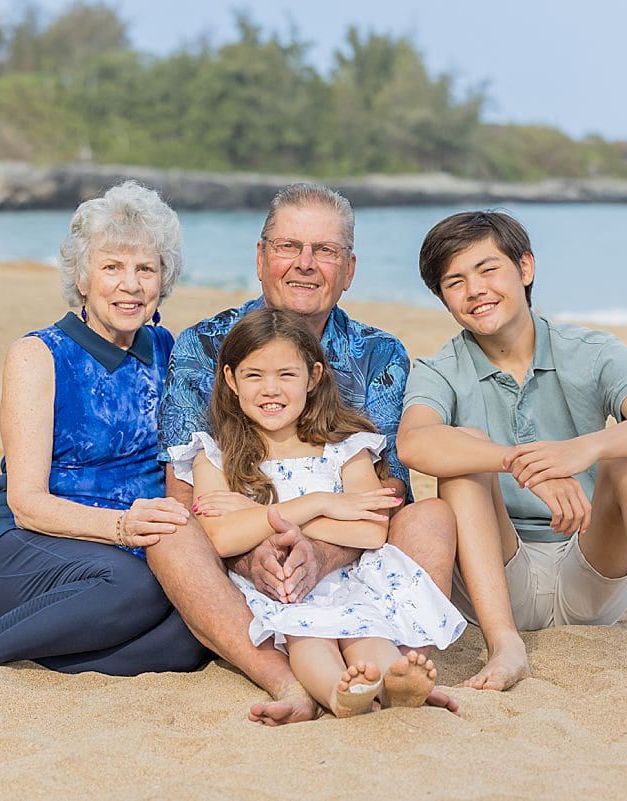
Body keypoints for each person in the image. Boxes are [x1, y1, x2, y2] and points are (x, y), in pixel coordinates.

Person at [149, 183, 459, 724]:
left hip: (350, 554)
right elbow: (189, 496)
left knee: (432, 516)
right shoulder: (205, 345)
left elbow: (389, 493)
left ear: (349, 269)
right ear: (261, 258)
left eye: (326, 250)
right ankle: (286, 680)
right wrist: (256, 556)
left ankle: (402, 670)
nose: (305, 264)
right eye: (288, 247)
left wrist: (315, 552)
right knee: (169, 532)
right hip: (242, 552)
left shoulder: (379, 353)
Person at [0, 181, 209, 682]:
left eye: (146, 269)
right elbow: (27, 503)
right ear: (82, 276)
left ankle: (37, 653)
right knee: (134, 587)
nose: (131, 284)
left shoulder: (169, 349)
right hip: (29, 545)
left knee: (190, 639)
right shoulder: (39, 355)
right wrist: (122, 528)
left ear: (163, 279)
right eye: (112, 267)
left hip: (133, 550)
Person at [397, 210, 627, 691]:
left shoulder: (592, 350)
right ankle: (504, 646)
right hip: (495, 578)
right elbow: (414, 441)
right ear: (443, 298)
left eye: (488, 270)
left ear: (525, 268)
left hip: (590, 567)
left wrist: (583, 450)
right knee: (463, 459)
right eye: (455, 282)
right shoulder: (439, 369)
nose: (475, 290)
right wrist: (520, 462)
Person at [168, 308, 465, 717]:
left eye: (286, 374)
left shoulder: (347, 447)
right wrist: (321, 502)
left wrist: (256, 514)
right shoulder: (213, 455)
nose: (271, 389)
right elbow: (221, 537)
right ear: (231, 380)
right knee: (308, 637)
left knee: (370, 628)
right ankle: (338, 696)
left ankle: (392, 683)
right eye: (254, 375)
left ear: (314, 376)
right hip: (282, 590)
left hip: (352, 581)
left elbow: (372, 531)